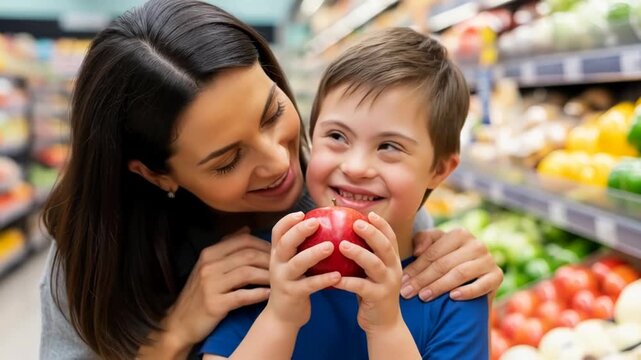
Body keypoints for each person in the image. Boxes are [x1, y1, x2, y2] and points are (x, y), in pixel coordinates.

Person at [39, 1, 501, 359]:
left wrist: (459, 259)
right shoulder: (87, 269)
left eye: (272, 113)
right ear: (156, 173)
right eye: (227, 160)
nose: (280, 162)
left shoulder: (352, 205)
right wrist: (174, 334)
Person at [200, 28, 489, 360]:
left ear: (439, 170)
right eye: (337, 136)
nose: (355, 166)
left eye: (389, 146)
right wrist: (279, 319)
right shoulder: (264, 268)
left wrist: (386, 327)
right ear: (311, 136)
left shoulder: (454, 290)